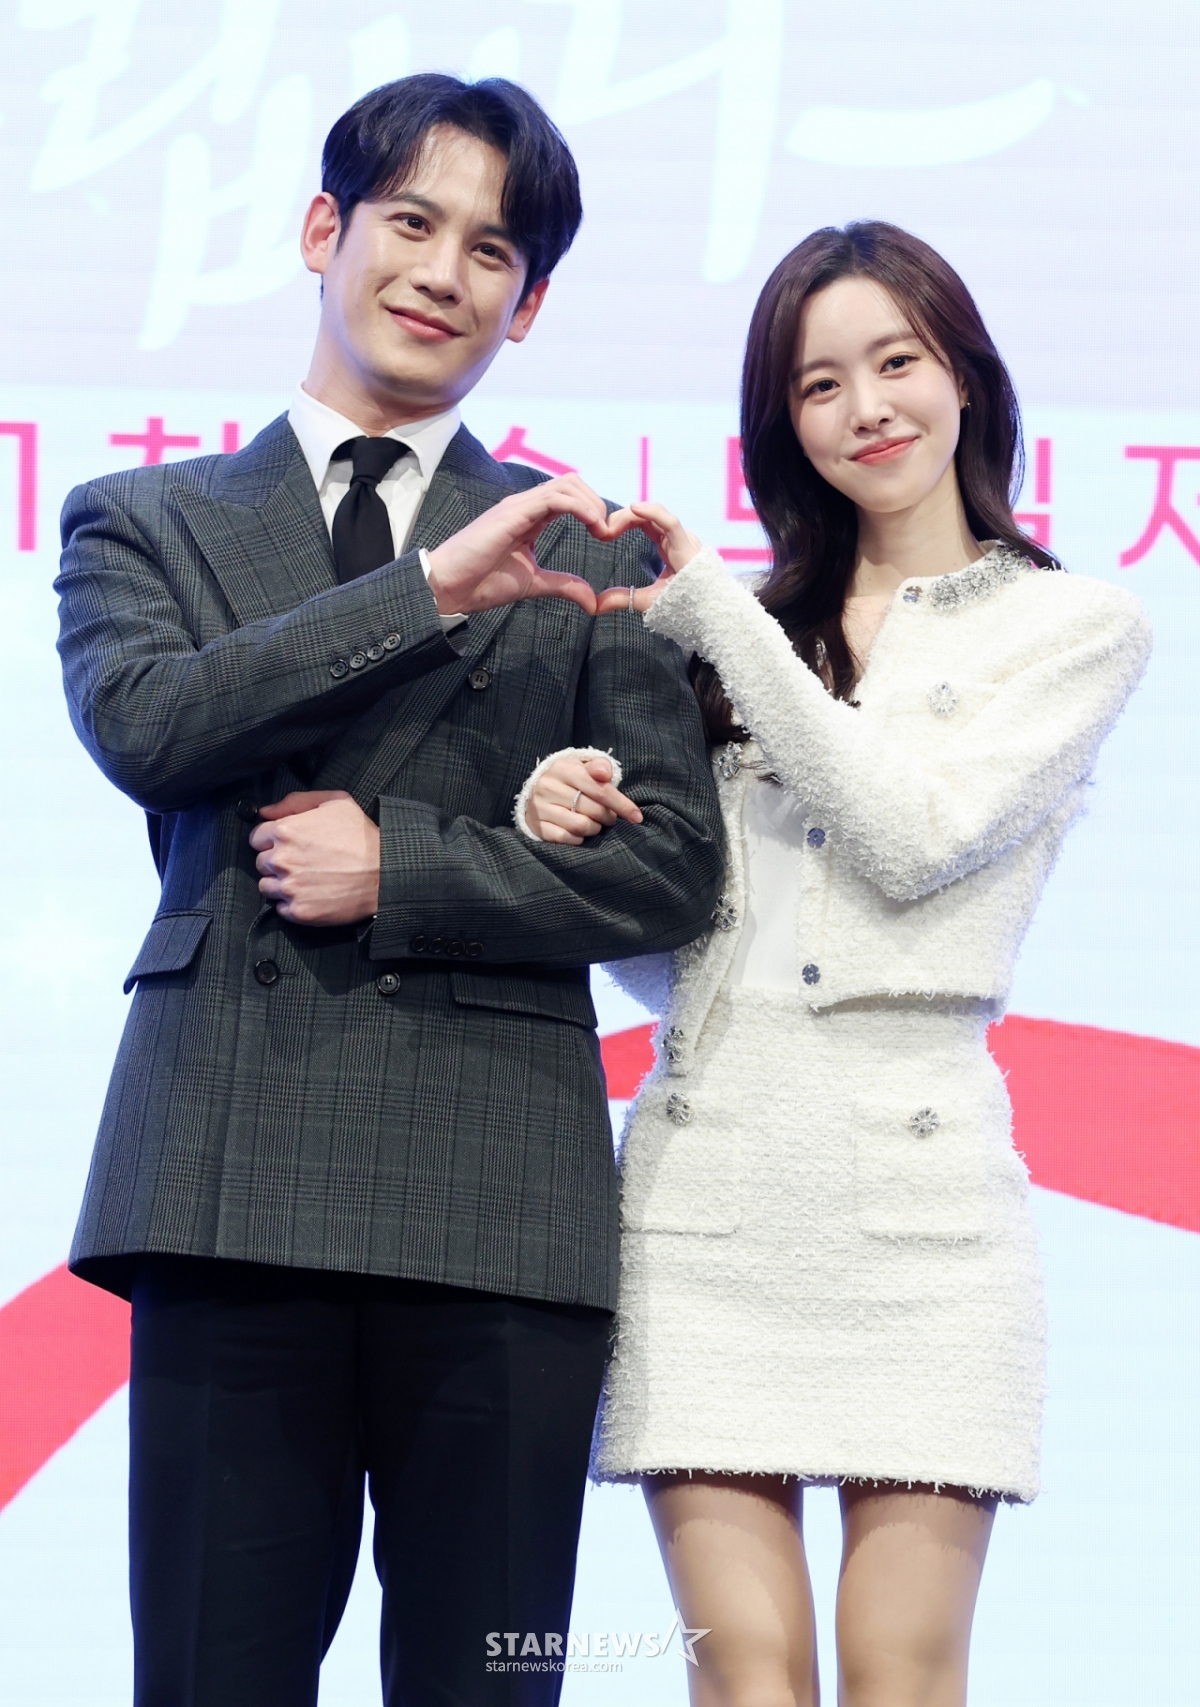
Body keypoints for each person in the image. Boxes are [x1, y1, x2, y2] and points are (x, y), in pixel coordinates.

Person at [56, 74, 722, 1706]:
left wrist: (402, 868)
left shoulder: (598, 550)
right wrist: (424, 593)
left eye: (492, 250)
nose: (441, 273)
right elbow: (150, 728)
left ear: (529, 302)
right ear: (321, 231)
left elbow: (670, 868)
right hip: (229, 1179)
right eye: (411, 222)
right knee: (211, 1675)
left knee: (491, 1680)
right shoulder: (144, 519)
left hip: (498, 1199)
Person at [519, 221, 1152, 1706]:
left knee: (899, 1676)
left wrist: (719, 623)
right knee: (743, 1681)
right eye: (819, 384)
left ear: (964, 377)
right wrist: (574, 830)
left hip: (922, 1211)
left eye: (897, 362)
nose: (868, 408)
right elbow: (692, 962)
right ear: (783, 424)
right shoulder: (740, 639)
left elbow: (915, 839)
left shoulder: (1075, 625)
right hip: (707, 1192)